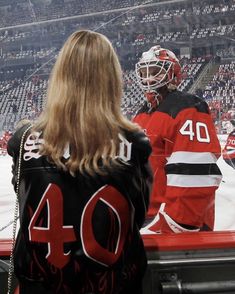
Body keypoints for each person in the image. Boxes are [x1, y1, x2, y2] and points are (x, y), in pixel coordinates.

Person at [7, 30, 153, 294]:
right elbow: (138, 216)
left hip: (42, 285)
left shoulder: (23, 139)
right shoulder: (135, 143)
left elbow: (24, 198)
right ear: (111, 79)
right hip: (114, 285)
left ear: (60, 77)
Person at [132, 45, 222, 234]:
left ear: (173, 73)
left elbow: (196, 175)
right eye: (144, 71)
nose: (148, 76)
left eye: (155, 71)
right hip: (146, 218)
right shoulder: (141, 114)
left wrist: (176, 224)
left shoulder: (189, 107)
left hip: (175, 222)